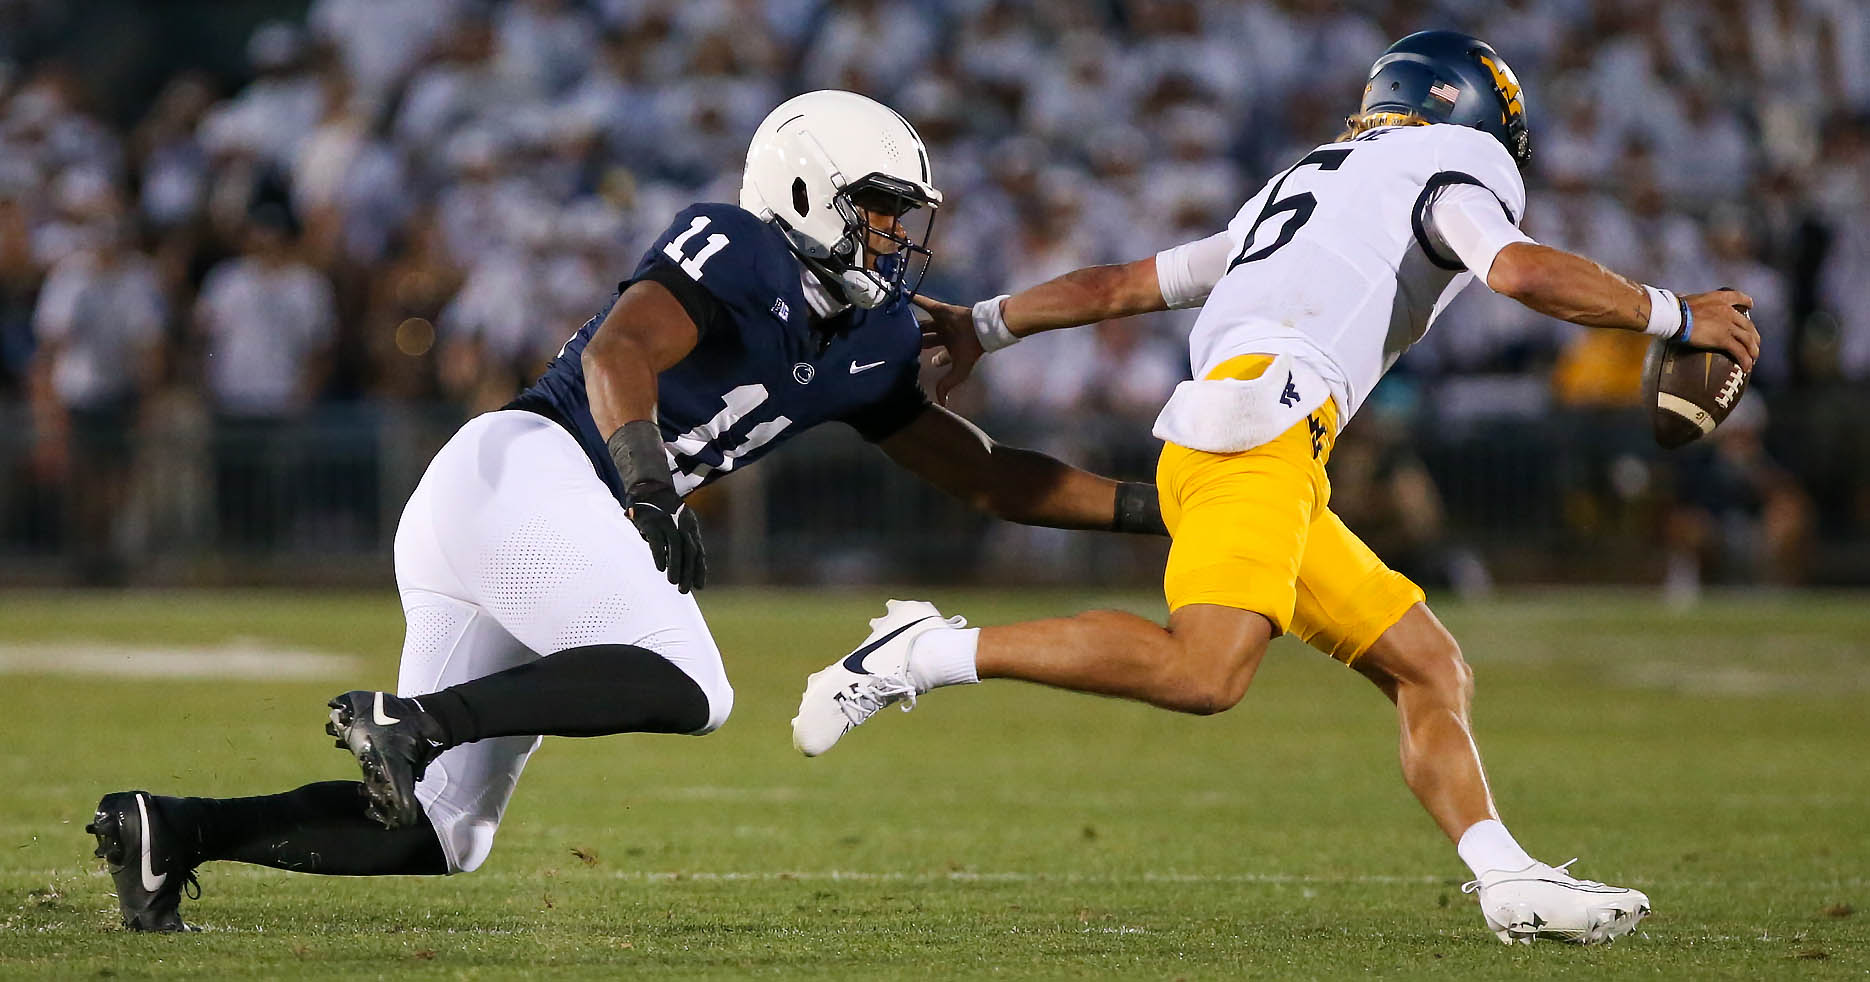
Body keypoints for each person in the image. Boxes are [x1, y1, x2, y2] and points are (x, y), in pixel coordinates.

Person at [85, 90, 1168, 932]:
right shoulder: (739, 244)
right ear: (802, 192)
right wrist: (650, 484)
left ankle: (170, 831)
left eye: (902, 217)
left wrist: (1161, 508)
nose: (894, 237)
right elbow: (621, 351)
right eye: (875, 210)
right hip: (533, 470)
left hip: (529, 517)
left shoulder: (876, 341)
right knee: (694, 682)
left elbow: (989, 476)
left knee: (437, 832)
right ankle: (416, 719)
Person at [791, 33, 1761, 946]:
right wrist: (1672, 312)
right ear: (1474, 116)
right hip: (1260, 429)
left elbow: (1126, 284)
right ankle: (921, 651)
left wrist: (989, 321)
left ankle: (1505, 876)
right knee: (1204, 674)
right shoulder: (1445, 169)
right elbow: (1511, 269)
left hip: (1268, 440)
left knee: (1426, 663)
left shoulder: (1301, 185)